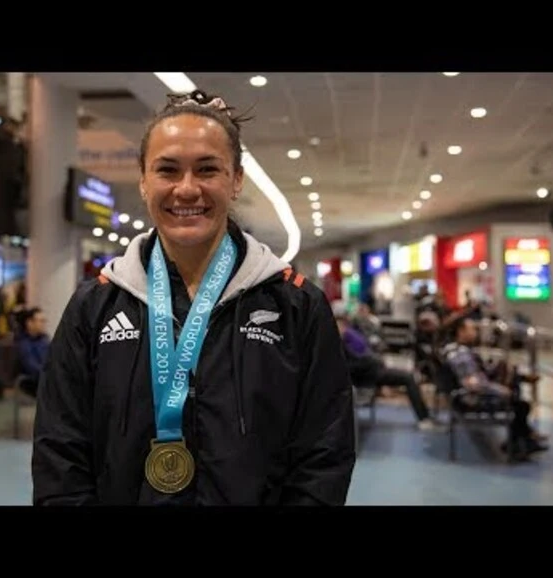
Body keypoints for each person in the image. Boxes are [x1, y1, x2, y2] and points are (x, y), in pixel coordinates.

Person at [32, 89, 356, 506]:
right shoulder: (94, 308)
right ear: (144, 181)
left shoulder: (295, 307)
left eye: (207, 169)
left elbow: (324, 456)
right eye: (167, 170)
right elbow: (60, 454)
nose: (187, 190)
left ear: (236, 179)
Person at [442, 317, 548, 459]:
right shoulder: (462, 356)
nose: (476, 332)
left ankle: (523, 438)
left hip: (469, 392)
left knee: (511, 381)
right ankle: (520, 441)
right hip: (472, 398)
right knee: (521, 405)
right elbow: (475, 384)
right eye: (472, 329)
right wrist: (501, 390)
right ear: (461, 331)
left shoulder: (453, 349)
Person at [336, 314, 440, 431]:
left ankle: (424, 416)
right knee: (407, 378)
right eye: (339, 326)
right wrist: (370, 361)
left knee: (408, 376)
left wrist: (371, 360)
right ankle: (424, 419)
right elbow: (349, 367)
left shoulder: (343, 343)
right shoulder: (336, 347)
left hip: (371, 371)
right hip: (365, 377)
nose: (343, 329)